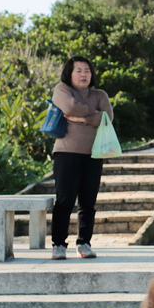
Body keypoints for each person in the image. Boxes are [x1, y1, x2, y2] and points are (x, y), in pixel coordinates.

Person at [50, 56, 114, 260]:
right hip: (66, 152)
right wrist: (93, 116)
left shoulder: (99, 94)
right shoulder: (62, 89)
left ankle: (84, 243)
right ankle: (58, 244)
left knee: (88, 201)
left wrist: (81, 118)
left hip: (94, 153)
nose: (84, 74)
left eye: (87, 70)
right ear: (70, 73)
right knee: (64, 200)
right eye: (78, 70)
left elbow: (108, 117)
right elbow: (68, 107)